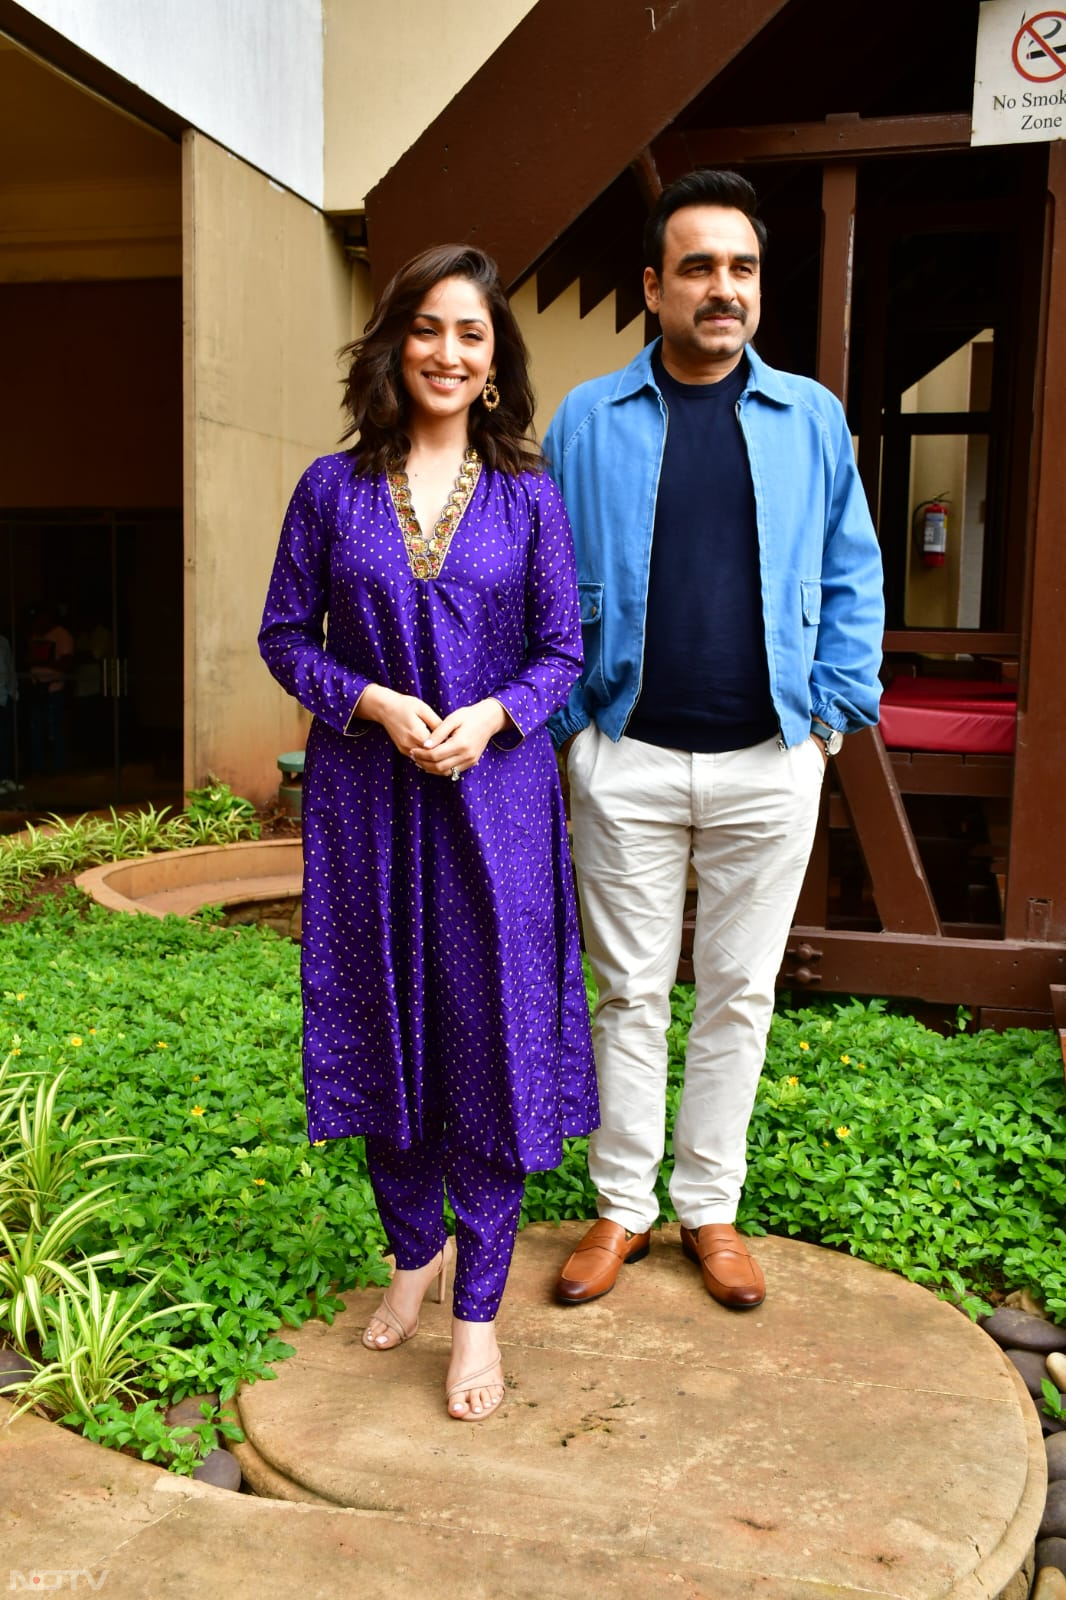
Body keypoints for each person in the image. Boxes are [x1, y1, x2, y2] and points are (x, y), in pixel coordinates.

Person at [259, 244, 597, 1421]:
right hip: (365, 807)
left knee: (489, 1045)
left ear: (495, 360)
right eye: (428, 329)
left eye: (472, 334)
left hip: (494, 810)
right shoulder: (328, 490)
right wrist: (368, 699)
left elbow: (564, 650)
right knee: (381, 1026)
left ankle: (476, 1316)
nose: (449, 353)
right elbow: (283, 635)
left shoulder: (530, 498)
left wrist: (495, 712)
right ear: (393, 343)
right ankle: (415, 1254)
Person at [545, 169, 884, 1311]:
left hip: (770, 753)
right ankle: (620, 1207)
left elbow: (851, 568)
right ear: (653, 287)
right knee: (626, 990)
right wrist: (570, 727)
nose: (721, 288)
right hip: (624, 749)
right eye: (696, 267)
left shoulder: (810, 418)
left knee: (738, 989)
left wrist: (831, 716)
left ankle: (711, 1208)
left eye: (739, 267)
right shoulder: (586, 420)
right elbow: (545, 578)